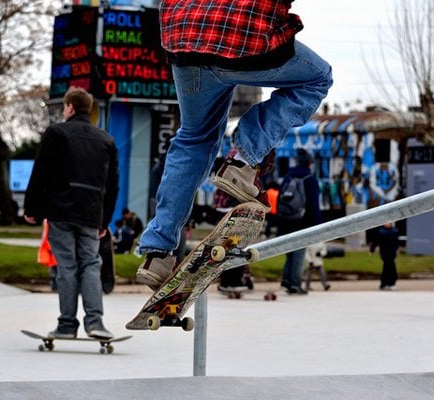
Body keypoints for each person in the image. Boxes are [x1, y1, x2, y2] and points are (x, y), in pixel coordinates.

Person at [134, 0, 333, 290]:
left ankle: (157, 253)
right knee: (317, 78)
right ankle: (242, 160)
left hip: (184, 36)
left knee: (194, 137)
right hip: (241, 33)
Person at [23, 86, 119, 340]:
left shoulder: (56, 133)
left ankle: (67, 324)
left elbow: (40, 172)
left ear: (69, 107)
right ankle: (95, 323)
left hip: (61, 211)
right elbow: (112, 185)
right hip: (91, 213)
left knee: (67, 266)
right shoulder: (105, 140)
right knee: (90, 264)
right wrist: (105, 220)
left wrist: (31, 208)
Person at [278, 149, 321, 295]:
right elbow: (314, 204)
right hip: (302, 220)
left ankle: (286, 280)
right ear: (310, 163)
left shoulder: (288, 176)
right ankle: (295, 284)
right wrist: (317, 223)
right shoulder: (309, 179)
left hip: (286, 219)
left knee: (290, 251)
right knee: (299, 251)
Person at [369, 222, 399, 290]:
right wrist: (372, 250)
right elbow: (375, 241)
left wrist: (397, 250)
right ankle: (386, 283)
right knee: (387, 267)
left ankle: (389, 283)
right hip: (384, 252)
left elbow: (396, 242)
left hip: (392, 252)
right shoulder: (381, 232)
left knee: (391, 267)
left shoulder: (394, 231)